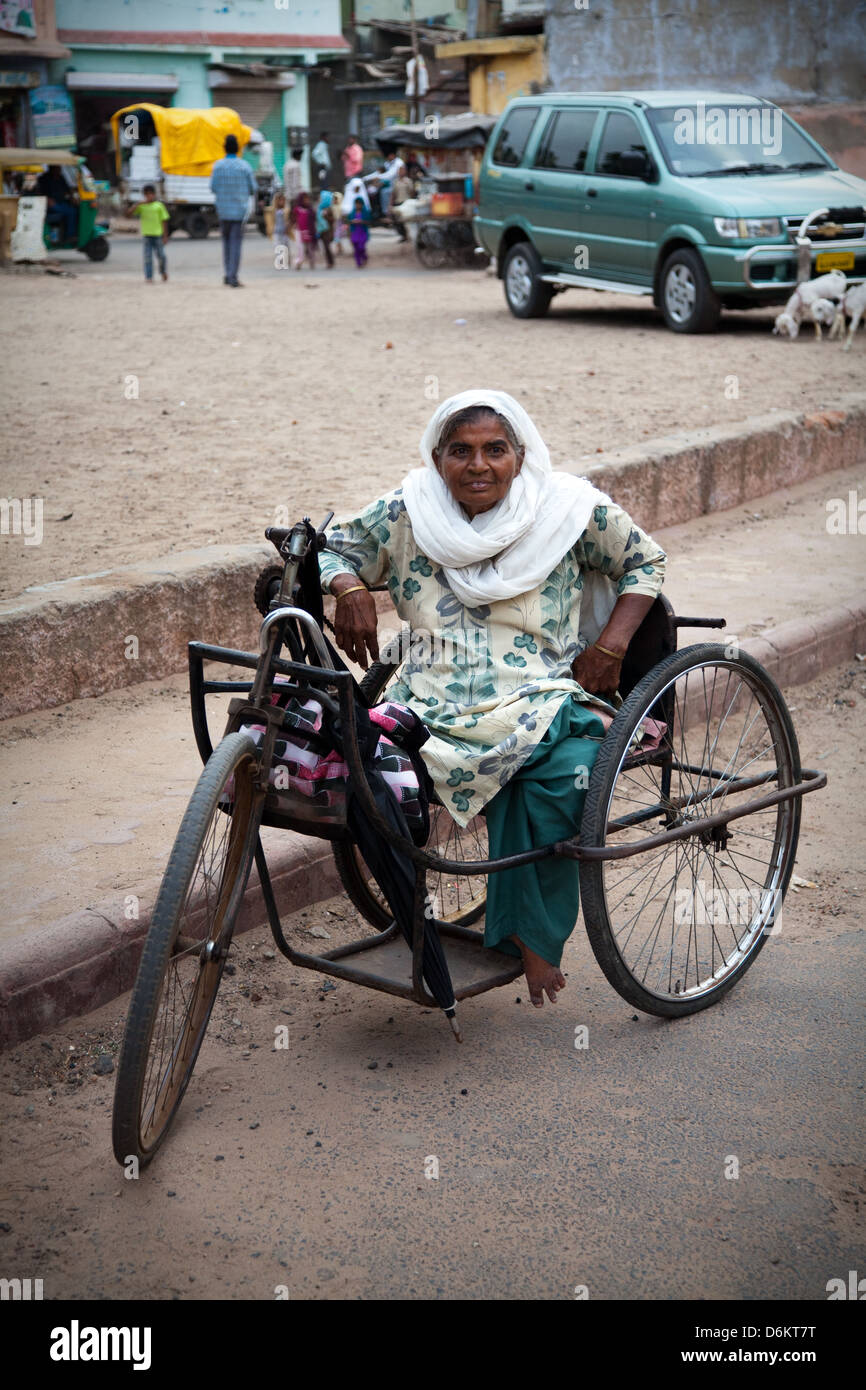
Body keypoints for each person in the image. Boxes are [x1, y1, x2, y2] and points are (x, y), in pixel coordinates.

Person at [318, 391, 666, 1007]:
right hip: (426, 697)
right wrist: (348, 586)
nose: (478, 465)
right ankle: (449, 914)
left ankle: (529, 939)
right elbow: (329, 544)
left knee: (567, 777)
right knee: (353, 761)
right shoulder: (408, 511)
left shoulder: (566, 509)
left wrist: (610, 648)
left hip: (536, 691)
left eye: (494, 451)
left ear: (519, 456)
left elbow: (644, 563)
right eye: (461, 451)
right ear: (438, 458)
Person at [210, 133, 256, 287]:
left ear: (224, 148)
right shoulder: (244, 166)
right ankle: (233, 276)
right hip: (239, 212)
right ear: (237, 148)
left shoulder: (218, 166)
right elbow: (253, 188)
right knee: (236, 244)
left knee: (226, 244)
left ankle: (227, 274)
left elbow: (213, 187)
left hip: (223, 211)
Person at [130, 183, 169, 283]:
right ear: (144, 195)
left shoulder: (159, 206)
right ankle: (149, 277)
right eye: (147, 194)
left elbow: (164, 221)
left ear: (154, 194)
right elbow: (127, 214)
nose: (149, 196)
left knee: (161, 256)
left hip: (157, 235)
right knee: (147, 257)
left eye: (151, 194)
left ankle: (163, 271)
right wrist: (137, 205)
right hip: (147, 235)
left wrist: (165, 236)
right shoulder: (141, 206)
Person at [35, 164, 76, 242]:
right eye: (58, 168)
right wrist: (47, 199)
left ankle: (70, 235)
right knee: (71, 212)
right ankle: (70, 235)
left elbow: (67, 190)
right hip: (48, 205)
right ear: (52, 168)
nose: (60, 170)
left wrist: (72, 197)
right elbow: (39, 192)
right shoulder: (43, 179)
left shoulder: (61, 178)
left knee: (73, 210)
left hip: (61, 202)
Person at [390, 164, 414, 242]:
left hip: (406, 203)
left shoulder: (408, 181)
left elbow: (412, 193)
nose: (401, 172)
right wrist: (390, 204)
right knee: (397, 221)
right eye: (400, 170)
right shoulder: (395, 181)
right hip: (398, 203)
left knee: (406, 221)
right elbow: (393, 194)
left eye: (402, 170)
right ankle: (403, 235)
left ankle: (408, 235)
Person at [294, 190, 316, 269]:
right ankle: (299, 262)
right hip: (299, 231)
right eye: (304, 199)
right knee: (300, 248)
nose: (306, 201)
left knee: (310, 248)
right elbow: (293, 218)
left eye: (307, 199)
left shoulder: (310, 209)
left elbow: (314, 219)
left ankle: (312, 262)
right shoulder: (297, 209)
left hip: (309, 231)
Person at [348, 196, 370, 268]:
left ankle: (364, 257)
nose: (357, 206)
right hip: (354, 232)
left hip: (362, 231)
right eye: (356, 204)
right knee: (356, 248)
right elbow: (349, 221)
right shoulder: (352, 212)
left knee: (361, 247)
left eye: (359, 204)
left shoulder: (365, 212)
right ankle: (358, 263)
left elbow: (368, 221)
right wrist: (352, 221)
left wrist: (361, 221)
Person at [316, 189, 335, 268]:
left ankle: (330, 262)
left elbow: (332, 220)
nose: (319, 199)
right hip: (321, 231)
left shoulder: (329, 209)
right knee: (325, 247)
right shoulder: (319, 209)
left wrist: (326, 216)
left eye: (321, 198)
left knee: (327, 247)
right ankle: (329, 261)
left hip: (328, 231)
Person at [272, 189, 289, 263]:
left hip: (284, 231)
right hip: (276, 231)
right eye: (280, 200)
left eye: (283, 200)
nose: (282, 202)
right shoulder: (273, 210)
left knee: (285, 246)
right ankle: (280, 261)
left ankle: (286, 261)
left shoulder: (286, 210)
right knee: (277, 246)